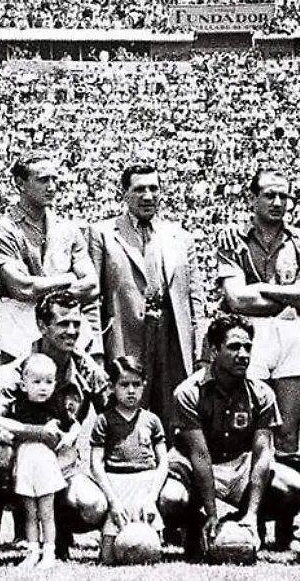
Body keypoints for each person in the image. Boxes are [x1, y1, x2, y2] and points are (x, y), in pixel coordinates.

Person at [158, 315, 300, 558]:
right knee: (170, 499)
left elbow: (262, 454)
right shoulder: (188, 392)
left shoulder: (262, 393)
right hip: (191, 463)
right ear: (214, 349)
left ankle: (237, 522)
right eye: (233, 347)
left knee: (299, 489)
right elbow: (200, 455)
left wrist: (252, 514)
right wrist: (211, 513)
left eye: (247, 347)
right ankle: (196, 525)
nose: (243, 354)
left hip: (237, 462)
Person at [215, 166, 300, 496]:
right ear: (253, 199)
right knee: (252, 427)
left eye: (283, 196)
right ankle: (253, 516)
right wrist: (288, 294)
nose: (278, 202)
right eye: (269, 195)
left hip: (291, 333)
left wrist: (262, 288)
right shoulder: (234, 239)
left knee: (289, 431)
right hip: (250, 335)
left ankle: (286, 527)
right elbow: (236, 298)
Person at [0, 291, 110, 561]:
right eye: (63, 324)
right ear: (42, 325)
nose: (72, 331)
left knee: (92, 505)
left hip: (63, 468)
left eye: (77, 324)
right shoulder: (19, 371)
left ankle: (58, 537)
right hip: (20, 468)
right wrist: (37, 433)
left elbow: (114, 419)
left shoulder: (86, 370)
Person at [88, 160, 206, 427]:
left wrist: (201, 351)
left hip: (171, 335)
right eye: (140, 189)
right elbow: (92, 299)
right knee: (125, 415)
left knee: (174, 416)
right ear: (124, 193)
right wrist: (96, 349)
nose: (148, 196)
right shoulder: (103, 234)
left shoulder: (180, 236)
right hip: (125, 335)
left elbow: (195, 299)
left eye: (154, 188)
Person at [0, 152, 99, 361]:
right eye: (43, 179)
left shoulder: (68, 229)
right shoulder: (3, 230)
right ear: (20, 183)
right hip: (19, 326)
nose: (52, 186)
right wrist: (69, 278)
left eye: (55, 179)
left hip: (64, 321)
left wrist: (46, 292)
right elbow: (22, 288)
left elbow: (92, 285)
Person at [0, 353, 81, 568]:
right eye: (36, 382)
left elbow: (75, 425)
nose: (43, 387)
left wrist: (70, 437)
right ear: (24, 385)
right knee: (29, 512)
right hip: (25, 463)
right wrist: (5, 435)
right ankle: (32, 551)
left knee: (46, 511)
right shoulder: (18, 405)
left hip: (45, 463)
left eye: (49, 381)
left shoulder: (56, 406)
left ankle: (49, 552)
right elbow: (7, 428)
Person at [90, 355, 169, 565]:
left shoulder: (152, 420)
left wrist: (152, 497)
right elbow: (96, 463)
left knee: (150, 550)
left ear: (144, 385)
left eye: (136, 384)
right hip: (117, 483)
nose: (131, 390)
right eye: (124, 385)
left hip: (146, 483)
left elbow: (163, 461)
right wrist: (113, 501)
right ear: (112, 386)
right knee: (107, 558)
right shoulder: (104, 420)